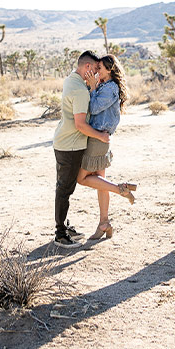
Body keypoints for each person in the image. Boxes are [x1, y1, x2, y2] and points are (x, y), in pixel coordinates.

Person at [52, 50, 111, 248]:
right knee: (64, 189)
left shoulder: (72, 79)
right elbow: (80, 124)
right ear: (87, 67)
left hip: (65, 142)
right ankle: (60, 234)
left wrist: (91, 86)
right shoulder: (79, 90)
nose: (95, 73)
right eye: (94, 69)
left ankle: (64, 227)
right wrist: (101, 135)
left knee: (66, 187)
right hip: (70, 145)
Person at [76, 54, 137, 241]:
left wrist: (92, 87)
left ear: (109, 70)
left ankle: (121, 189)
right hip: (99, 137)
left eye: (100, 68)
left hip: (98, 138)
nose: (96, 71)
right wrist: (93, 86)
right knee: (100, 181)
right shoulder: (105, 86)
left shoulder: (110, 88)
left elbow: (93, 108)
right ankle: (104, 223)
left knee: (81, 178)